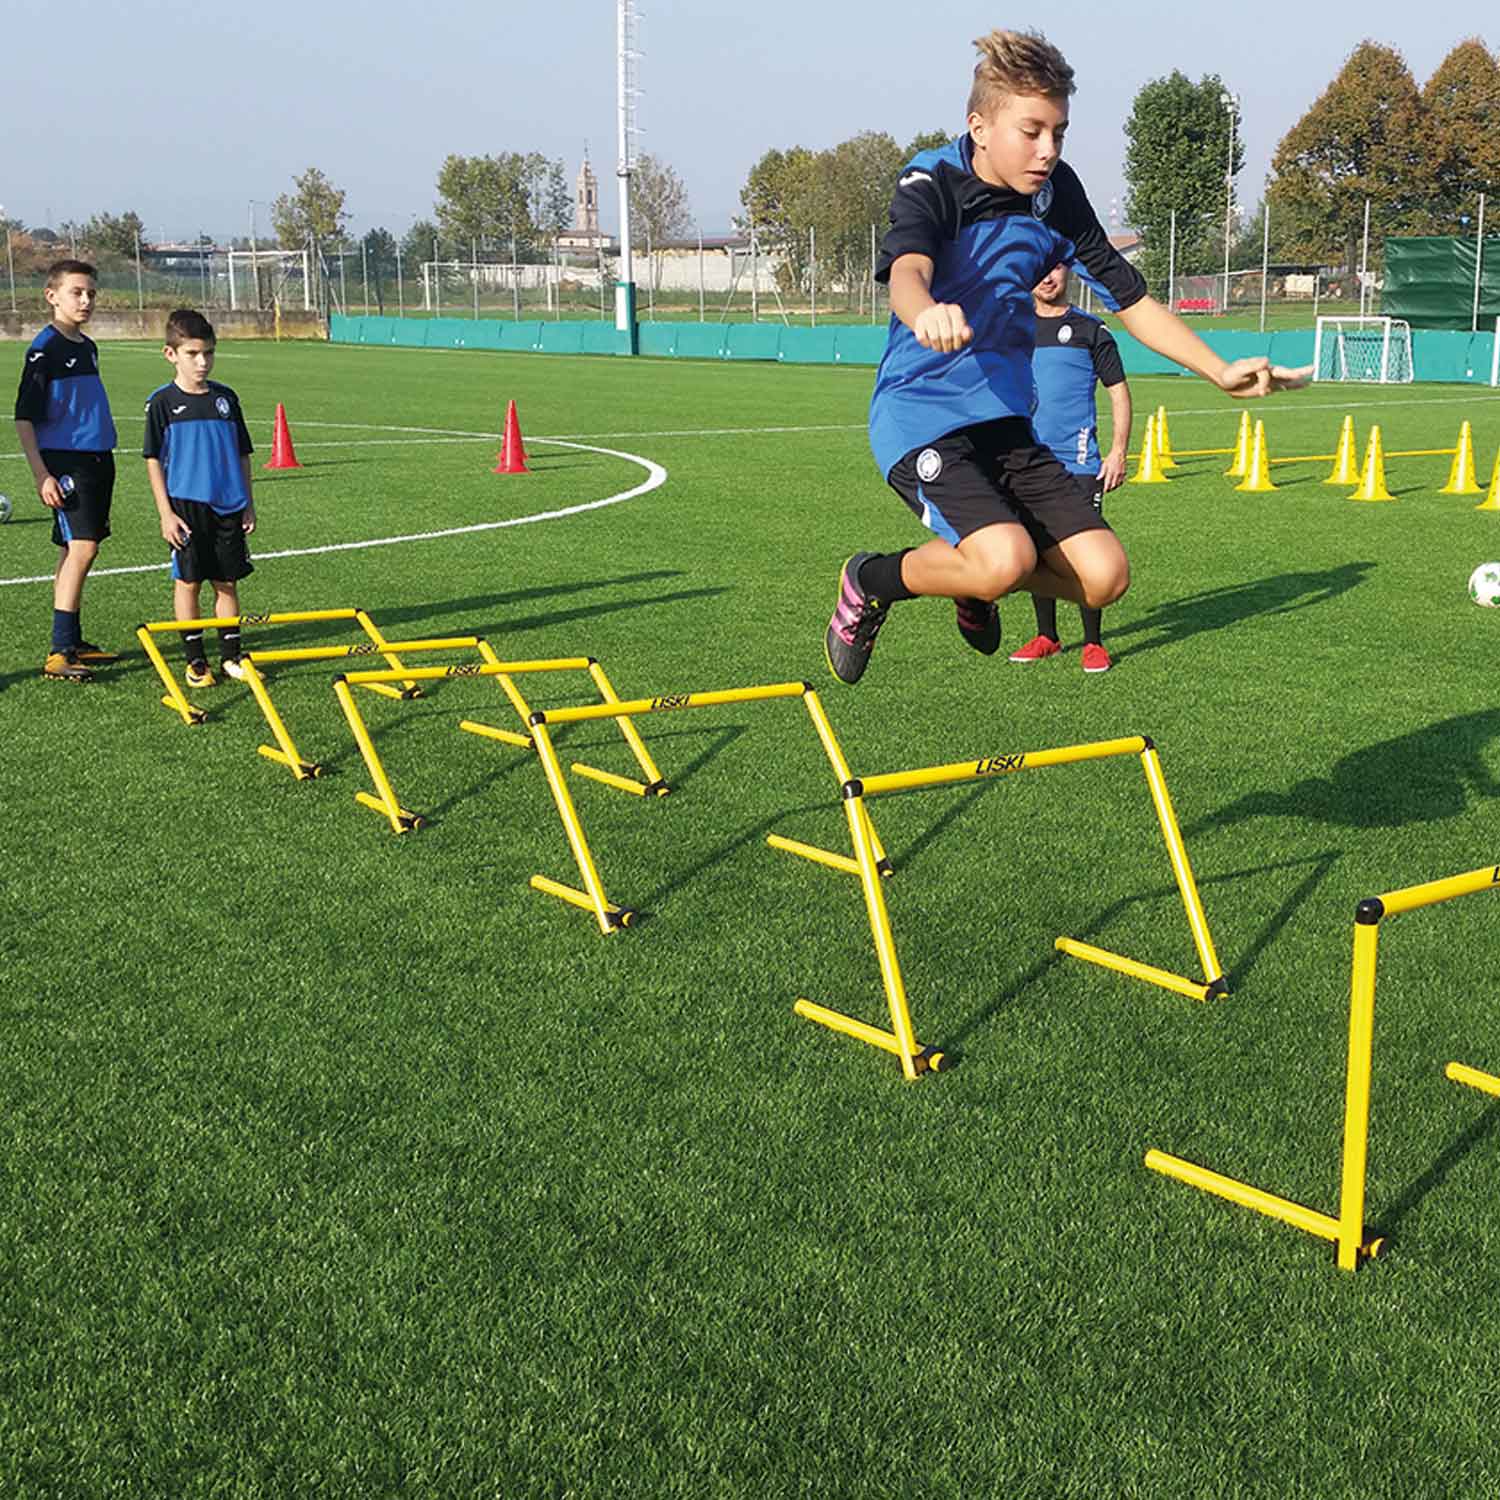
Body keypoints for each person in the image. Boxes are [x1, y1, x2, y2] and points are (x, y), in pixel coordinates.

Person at [824, 28, 1308, 686]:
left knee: (1106, 578)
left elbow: (1130, 298)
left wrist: (1218, 370)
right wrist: (923, 311)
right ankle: (871, 579)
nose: (1048, 150)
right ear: (980, 125)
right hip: (920, 415)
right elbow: (908, 268)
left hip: (1004, 422)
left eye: (1060, 132)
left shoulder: (1057, 196)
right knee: (1004, 558)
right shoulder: (932, 176)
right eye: (1032, 130)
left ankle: (970, 579)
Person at [1007, 262, 1131, 672]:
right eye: (1038, 269)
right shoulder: (1014, 329)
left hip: (1079, 464)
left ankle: (1093, 642)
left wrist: (1118, 451)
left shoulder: (1091, 330)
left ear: (1067, 273)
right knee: (1038, 550)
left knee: (1083, 553)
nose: (1046, 277)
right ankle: (1048, 636)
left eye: (1055, 268)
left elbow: (1119, 393)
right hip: (1028, 461)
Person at [13, 259, 120, 683]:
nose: (86, 300)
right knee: (84, 549)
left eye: (91, 292)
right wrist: (42, 475)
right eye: (77, 292)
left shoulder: (86, 346)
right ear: (52, 295)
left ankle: (72, 639)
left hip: (97, 459)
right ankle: (59, 651)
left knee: (72, 549)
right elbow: (24, 418)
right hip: (65, 461)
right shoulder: (46, 350)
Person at [142, 308, 256, 689]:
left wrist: (249, 502)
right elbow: (153, 460)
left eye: (208, 352)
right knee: (188, 582)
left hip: (228, 505)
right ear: (170, 354)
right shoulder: (161, 403)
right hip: (186, 507)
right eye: (192, 354)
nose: (202, 361)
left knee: (227, 583)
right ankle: (195, 660)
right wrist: (165, 513)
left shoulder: (226, 399)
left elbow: (243, 453)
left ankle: (231, 656)